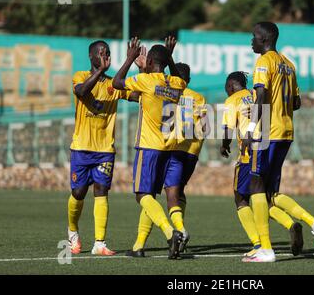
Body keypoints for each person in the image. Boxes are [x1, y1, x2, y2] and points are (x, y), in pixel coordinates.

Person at [242, 22, 314, 262]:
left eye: (254, 36)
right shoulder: (289, 65)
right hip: (286, 131)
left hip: (267, 131)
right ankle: (313, 223)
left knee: (256, 188)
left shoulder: (263, 62)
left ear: (264, 39)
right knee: (270, 193)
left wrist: (251, 128)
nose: (251, 41)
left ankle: (266, 249)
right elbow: (297, 103)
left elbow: (260, 95)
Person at [112, 37, 187, 259]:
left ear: (150, 60)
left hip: (149, 146)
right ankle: (138, 246)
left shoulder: (146, 81)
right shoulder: (176, 84)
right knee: (151, 196)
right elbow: (180, 79)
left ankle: (169, 232)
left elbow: (117, 82)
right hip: (168, 147)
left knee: (142, 195)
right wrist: (170, 57)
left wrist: (130, 59)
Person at [220, 71, 304, 257]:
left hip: (248, 151)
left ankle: (259, 244)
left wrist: (224, 146)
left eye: (226, 88)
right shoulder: (257, 94)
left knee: (240, 198)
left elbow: (228, 129)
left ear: (230, 85)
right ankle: (291, 224)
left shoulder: (232, 100)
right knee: (265, 196)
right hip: (268, 146)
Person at [129, 62, 209, 256]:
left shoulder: (165, 91)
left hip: (168, 147)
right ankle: (149, 241)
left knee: (149, 194)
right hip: (191, 152)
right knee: (176, 194)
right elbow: (205, 128)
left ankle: (147, 241)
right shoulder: (197, 97)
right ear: (187, 80)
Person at [67, 40, 139, 256]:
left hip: (105, 150)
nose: (105, 56)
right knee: (78, 192)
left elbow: (135, 96)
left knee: (101, 191)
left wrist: (136, 66)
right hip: (81, 147)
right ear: (91, 57)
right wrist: (99, 71)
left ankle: (99, 243)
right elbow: (81, 92)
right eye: (101, 53)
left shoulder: (112, 85)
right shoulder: (80, 76)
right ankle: (72, 230)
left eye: (107, 53)